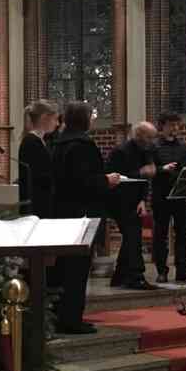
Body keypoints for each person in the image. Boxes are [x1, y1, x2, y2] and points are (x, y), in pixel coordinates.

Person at [51, 102, 121, 333]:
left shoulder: (57, 143)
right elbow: (84, 182)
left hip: (62, 214)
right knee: (78, 270)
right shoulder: (83, 145)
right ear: (84, 119)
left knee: (63, 269)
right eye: (91, 115)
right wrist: (107, 180)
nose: (93, 119)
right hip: (82, 215)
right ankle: (71, 320)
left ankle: (60, 316)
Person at [151, 112, 186, 283]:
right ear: (162, 126)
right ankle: (162, 271)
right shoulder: (154, 147)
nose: (175, 128)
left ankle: (182, 271)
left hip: (180, 196)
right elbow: (148, 170)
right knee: (161, 235)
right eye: (171, 124)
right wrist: (162, 169)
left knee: (182, 234)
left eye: (177, 124)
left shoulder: (183, 147)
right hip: (161, 196)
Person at [106, 121, 159, 290]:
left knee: (131, 236)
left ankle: (120, 276)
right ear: (139, 136)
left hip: (135, 200)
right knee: (133, 235)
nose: (152, 141)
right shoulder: (120, 152)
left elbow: (145, 180)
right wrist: (140, 172)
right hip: (119, 200)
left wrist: (143, 200)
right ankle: (136, 276)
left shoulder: (146, 151)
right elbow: (115, 178)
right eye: (150, 137)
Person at [18, 100, 60, 218]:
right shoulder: (31, 142)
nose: (57, 124)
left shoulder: (39, 141)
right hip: (37, 204)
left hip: (41, 201)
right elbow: (39, 175)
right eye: (55, 119)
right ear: (44, 118)